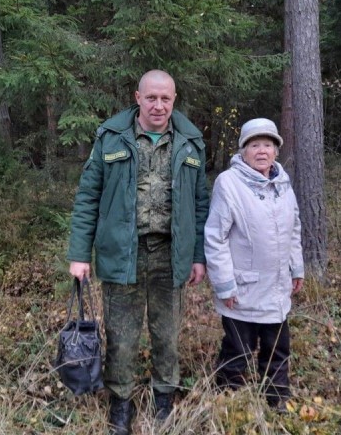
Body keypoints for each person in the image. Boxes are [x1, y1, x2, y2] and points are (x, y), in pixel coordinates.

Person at [67, 70, 209, 435]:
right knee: (122, 337)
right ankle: (121, 406)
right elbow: (88, 197)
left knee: (167, 336)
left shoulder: (191, 141)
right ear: (137, 97)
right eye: (151, 98)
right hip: (122, 254)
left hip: (170, 255)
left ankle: (164, 400)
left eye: (165, 98)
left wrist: (197, 255)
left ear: (174, 99)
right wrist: (79, 254)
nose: (158, 105)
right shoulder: (111, 137)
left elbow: (199, 204)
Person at [204, 117, 304, 412]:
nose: (262, 151)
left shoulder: (283, 183)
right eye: (255, 145)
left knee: (277, 348)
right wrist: (224, 284)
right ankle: (228, 397)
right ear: (244, 151)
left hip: (276, 287)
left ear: (276, 150)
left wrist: (296, 268)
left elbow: (294, 228)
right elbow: (215, 237)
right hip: (242, 288)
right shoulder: (229, 183)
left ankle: (276, 399)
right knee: (238, 348)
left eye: (268, 144)